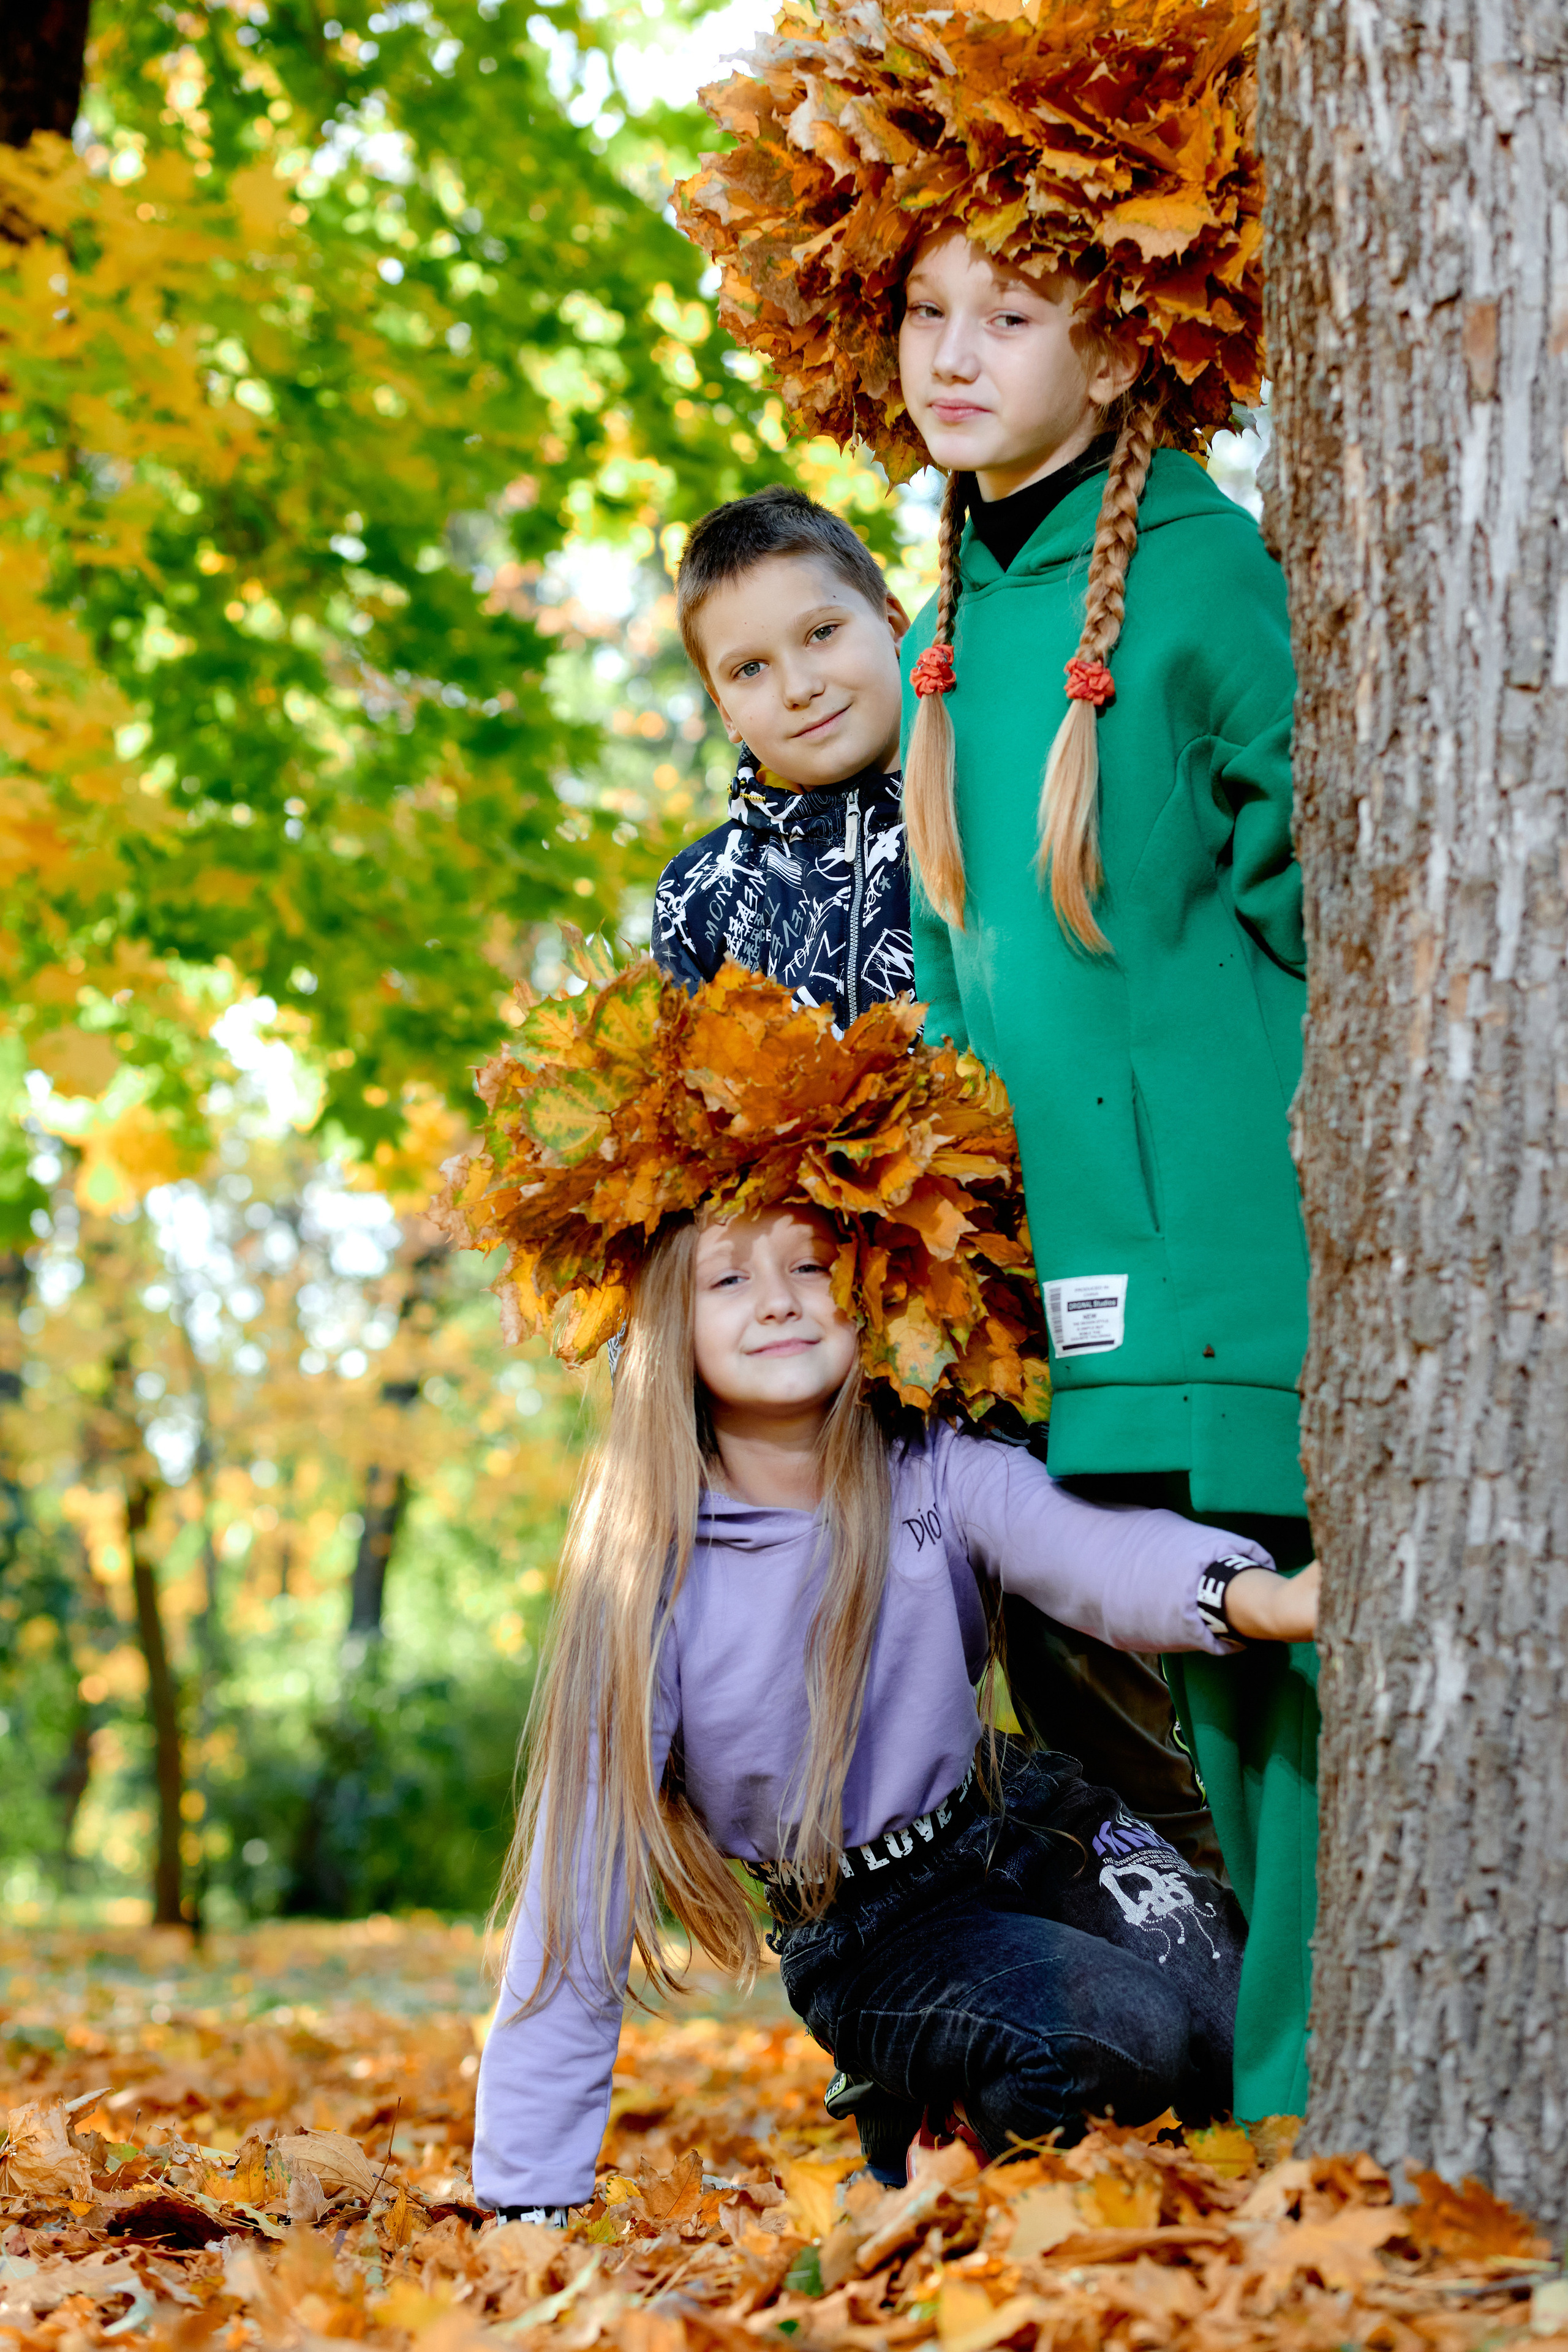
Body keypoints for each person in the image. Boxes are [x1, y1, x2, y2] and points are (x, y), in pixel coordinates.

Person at [674, 0, 1316, 2119]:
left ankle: (1300, 2094)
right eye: (927, 314)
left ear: (1117, 349)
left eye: (1011, 316)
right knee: (1202, 1682)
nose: (952, 356)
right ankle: (1233, 2081)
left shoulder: (1200, 582)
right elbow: (957, 1000)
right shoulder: (960, 618)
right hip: (1053, 1296)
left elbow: (1313, 896)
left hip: (1221, 1249)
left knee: (1282, 1697)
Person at [438, 965, 1319, 2221]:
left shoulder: (934, 1470)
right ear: (667, 1326)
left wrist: (1255, 1598)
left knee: (1253, 2029)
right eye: (728, 1280)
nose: (778, 1302)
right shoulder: (651, 1580)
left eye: (808, 1266)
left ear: (867, 1285)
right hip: (869, 1924)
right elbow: (573, 1901)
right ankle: (922, 2127)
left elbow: (1090, 1553)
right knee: (1106, 2039)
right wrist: (528, 2197)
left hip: (1021, 1821)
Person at [652, 487, 913, 1030]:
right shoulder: (696, 893)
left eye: (822, 633)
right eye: (750, 669)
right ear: (725, 711)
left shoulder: (987, 807)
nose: (799, 688)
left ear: (893, 627)